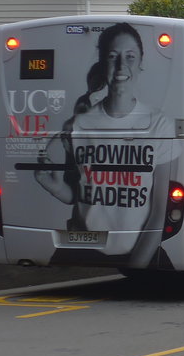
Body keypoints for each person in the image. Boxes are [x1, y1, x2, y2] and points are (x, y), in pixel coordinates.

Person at [33, 22, 175, 264]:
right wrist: (54, 186)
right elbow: (79, 196)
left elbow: (160, 212)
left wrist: (136, 266)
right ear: (103, 64)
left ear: (140, 63)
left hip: (139, 252)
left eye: (130, 56)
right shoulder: (78, 124)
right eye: (113, 56)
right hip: (82, 246)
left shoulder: (160, 124)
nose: (122, 66)